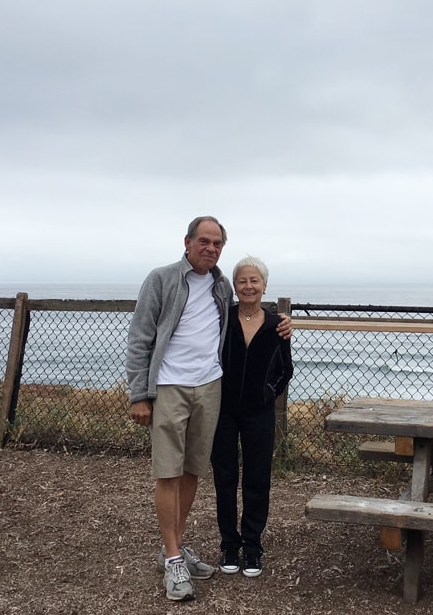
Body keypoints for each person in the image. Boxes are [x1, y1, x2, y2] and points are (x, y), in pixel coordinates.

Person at [126, 216, 291, 602]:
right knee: (168, 471)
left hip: (209, 388)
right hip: (169, 386)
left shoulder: (220, 286)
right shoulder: (161, 279)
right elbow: (140, 337)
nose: (210, 248)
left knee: (191, 470)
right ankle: (173, 560)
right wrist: (139, 394)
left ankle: (175, 546)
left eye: (217, 243)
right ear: (187, 242)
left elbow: (251, 319)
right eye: (204, 241)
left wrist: (283, 322)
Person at [210, 257, 293, 579]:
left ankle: (253, 545)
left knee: (257, 479)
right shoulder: (222, 319)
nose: (248, 286)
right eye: (242, 281)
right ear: (234, 286)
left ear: (264, 286)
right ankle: (229, 544)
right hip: (223, 411)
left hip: (259, 414)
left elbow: (285, 369)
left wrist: (268, 393)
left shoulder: (276, 326)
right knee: (225, 477)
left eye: (254, 280)